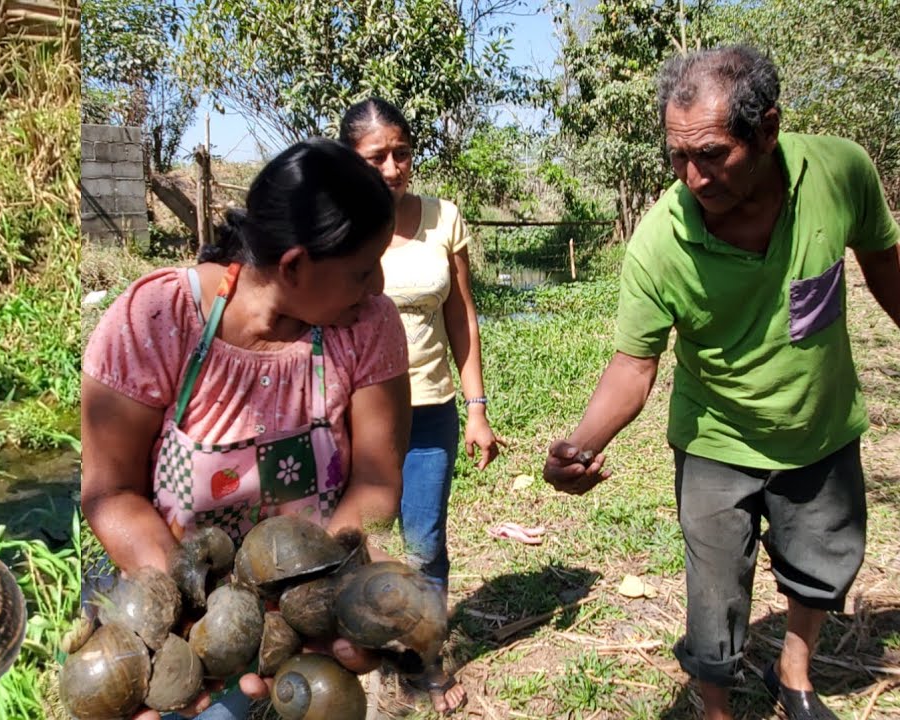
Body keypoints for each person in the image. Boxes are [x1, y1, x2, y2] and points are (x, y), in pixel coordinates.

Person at [542, 46, 900, 720]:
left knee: (822, 564)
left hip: (820, 426)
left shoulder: (839, 172)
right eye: (677, 157)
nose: (693, 177)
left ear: (766, 131)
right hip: (716, 438)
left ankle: (794, 673)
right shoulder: (661, 241)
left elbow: (883, 259)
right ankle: (716, 708)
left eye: (711, 155)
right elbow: (634, 365)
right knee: (714, 592)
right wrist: (578, 446)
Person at [82, 138, 467, 718]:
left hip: (306, 638)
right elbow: (111, 493)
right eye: (362, 271)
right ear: (293, 266)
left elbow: (376, 485)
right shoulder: (156, 320)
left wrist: (316, 599)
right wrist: (193, 613)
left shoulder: (366, 325)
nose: (377, 287)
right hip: (184, 626)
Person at [340, 98, 505, 593]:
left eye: (402, 153)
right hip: (353, 416)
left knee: (425, 545)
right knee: (349, 542)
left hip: (431, 411)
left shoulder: (443, 218)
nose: (393, 169)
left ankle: (426, 637)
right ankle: (362, 634)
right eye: (376, 157)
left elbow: (461, 316)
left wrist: (476, 408)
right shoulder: (336, 228)